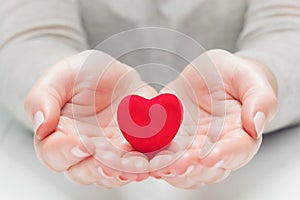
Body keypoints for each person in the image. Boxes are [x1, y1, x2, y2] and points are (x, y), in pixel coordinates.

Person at [0, 0, 299, 189]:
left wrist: (261, 76)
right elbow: (28, 36)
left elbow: (288, 29)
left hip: (270, 163)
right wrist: (55, 88)